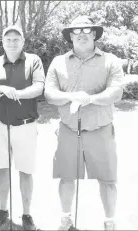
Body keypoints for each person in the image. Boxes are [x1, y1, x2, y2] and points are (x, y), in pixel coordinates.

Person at [44, 16, 124, 230]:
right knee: (66, 176)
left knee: (107, 179)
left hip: (100, 128)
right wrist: (73, 97)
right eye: (76, 31)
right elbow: (49, 93)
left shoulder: (111, 61)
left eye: (86, 30)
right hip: (68, 129)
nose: (81, 34)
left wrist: (90, 99)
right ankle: (66, 219)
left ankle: (109, 222)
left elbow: (116, 92)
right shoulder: (58, 62)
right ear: (70, 36)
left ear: (94, 33)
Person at [0, 25, 45, 230]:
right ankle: (2, 211)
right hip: (0, 124)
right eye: (8, 38)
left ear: (23, 41)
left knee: (25, 171)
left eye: (16, 39)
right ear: (2, 41)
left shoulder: (33, 60)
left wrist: (17, 94)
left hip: (26, 125)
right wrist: (4, 89)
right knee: (2, 169)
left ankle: (26, 214)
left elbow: (39, 87)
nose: (12, 42)